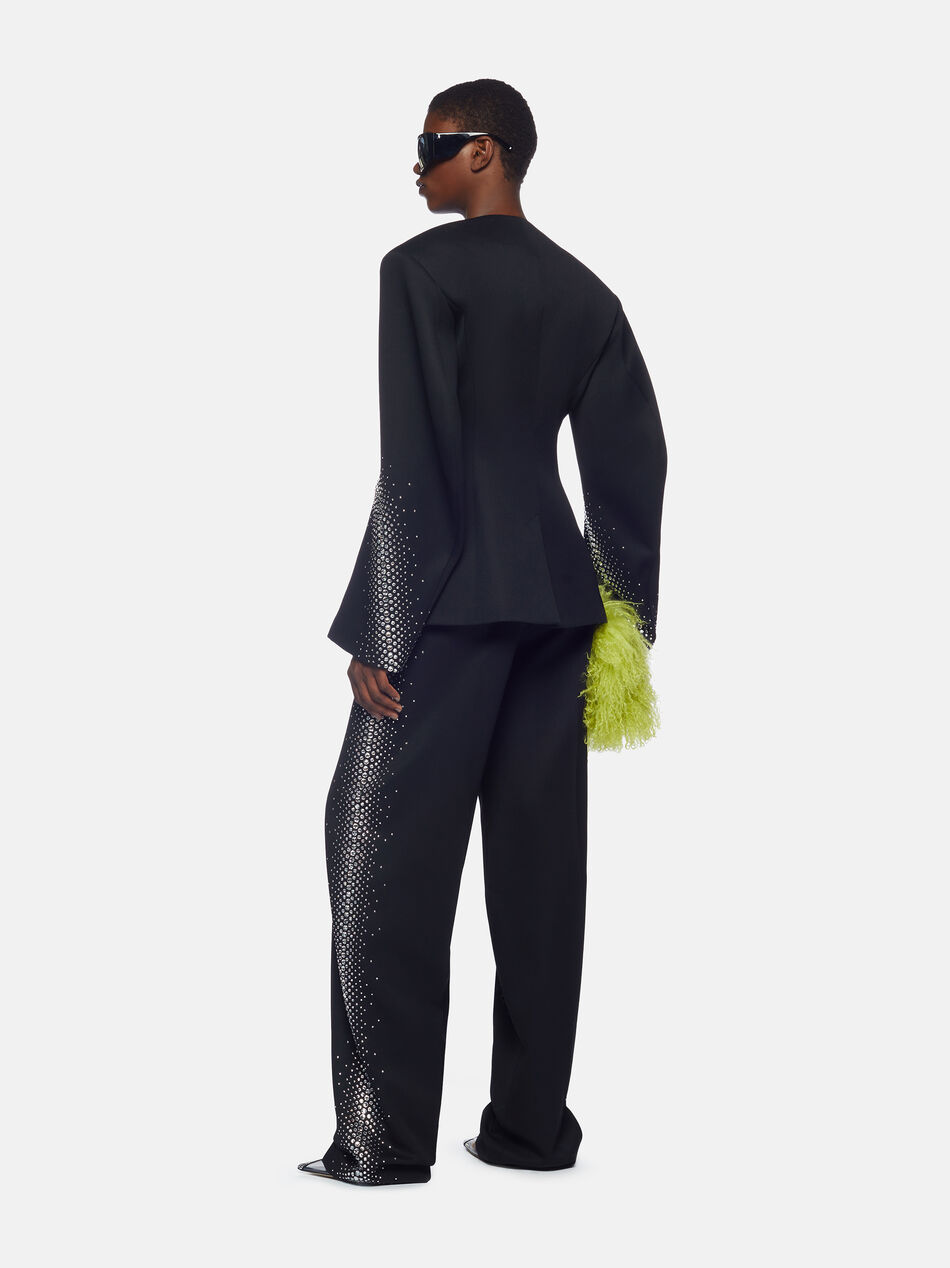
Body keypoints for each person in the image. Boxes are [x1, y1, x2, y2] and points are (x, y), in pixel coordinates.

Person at [299, 78, 668, 1186]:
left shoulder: (418, 271)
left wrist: (381, 627)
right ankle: (528, 1131)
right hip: (557, 609)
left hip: (447, 606)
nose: (415, 164)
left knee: (376, 853)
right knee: (540, 871)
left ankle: (381, 1140)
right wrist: (622, 622)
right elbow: (634, 463)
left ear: (487, 152)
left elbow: (417, 461)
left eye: (433, 143)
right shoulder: (585, 292)